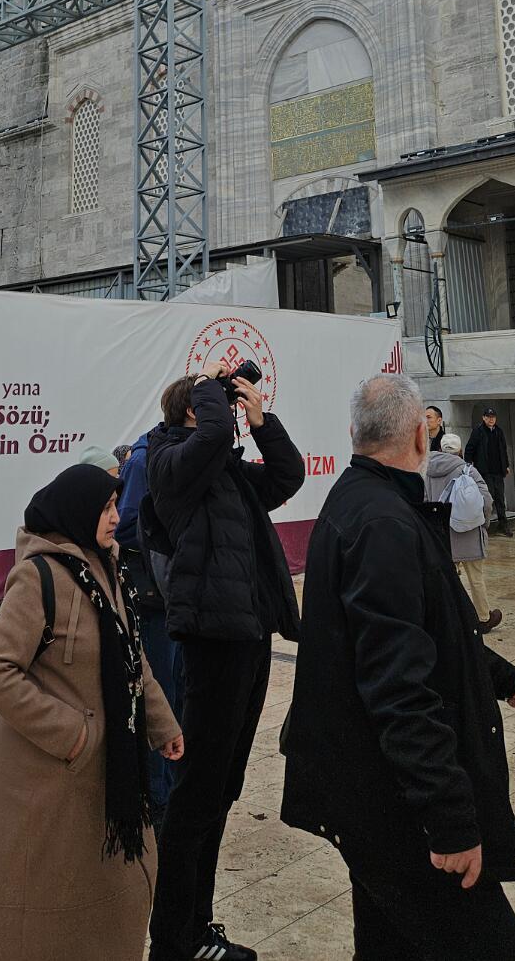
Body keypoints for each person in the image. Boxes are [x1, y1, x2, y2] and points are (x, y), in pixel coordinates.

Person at [281, 373, 515, 961]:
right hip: (396, 804)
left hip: (369, 792)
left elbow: (429, 631)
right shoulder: (383, 523)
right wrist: (449, 817)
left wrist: (504, 679)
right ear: (419, 435)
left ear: (355, 434)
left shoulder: (362, 501)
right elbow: (398, 687)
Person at [0, 463, 183, 961]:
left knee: (103, 903)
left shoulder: (109, 568)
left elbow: (132, 656)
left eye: (116, 506)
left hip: (104, 774)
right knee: (37, 916)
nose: (116, 518)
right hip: (44, 784)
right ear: (77, 512)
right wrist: (75, 735)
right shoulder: (38, 578)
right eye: (106, 508)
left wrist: (161, 724)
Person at [147, 362, 305, 961]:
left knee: (220, 789)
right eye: (211, 401)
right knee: (196, 794)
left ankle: (196, 927)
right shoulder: (168, 462)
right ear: (194, 409)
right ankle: (174, 941)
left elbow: (287, 475)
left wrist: (263, 421)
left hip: (248, 634)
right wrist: (212, 386)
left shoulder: (227, 471)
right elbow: (211, 435)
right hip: (212, 638)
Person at [115, 430, 184, 835]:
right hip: (153, 599)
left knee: (176, 694)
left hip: (175, 598)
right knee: (159, 695)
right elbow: (126, 527)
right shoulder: (144, 460)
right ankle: (158, 796)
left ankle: (169, 785)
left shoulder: (179, 454)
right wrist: (171, 528)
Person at [426, 432, 502, 633]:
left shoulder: (427, 471)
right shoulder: (468, 470)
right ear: (460, 450)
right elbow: (486, 500)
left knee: (448, 580)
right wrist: (484, 523)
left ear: (440, 448)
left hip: (442, 536)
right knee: (475, 578)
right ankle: (483, 618)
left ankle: (451, 618)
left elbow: (424, 501)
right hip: (468, 533)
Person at [465, 407, 513, 536]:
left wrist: (506, 465)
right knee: (488, 498)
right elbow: (469, 448)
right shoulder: (478, 431)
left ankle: (503, 524)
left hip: (498, 471)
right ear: (483, 418)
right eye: (488, 417)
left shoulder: (498, 431)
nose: (491, 419)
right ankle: (484, 525)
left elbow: (503, 449)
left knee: (500, 498)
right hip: (484, 471)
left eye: (493, 417)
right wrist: (468, 465)